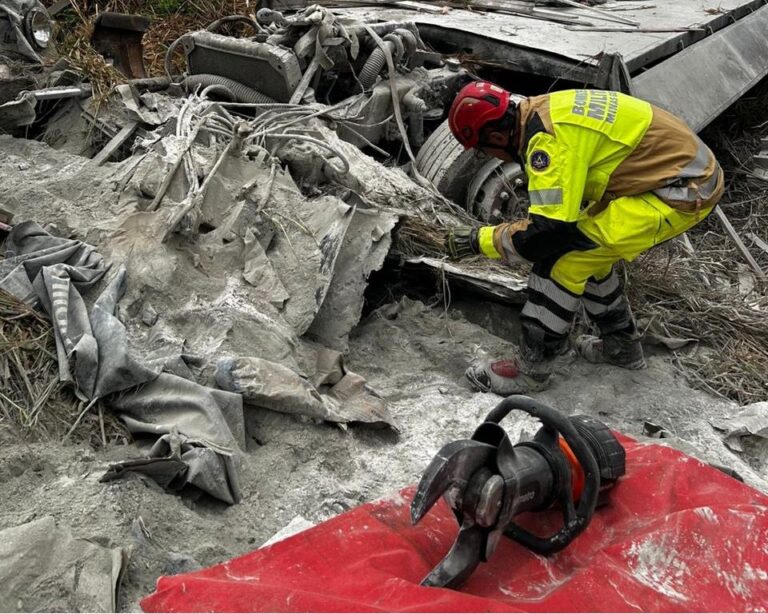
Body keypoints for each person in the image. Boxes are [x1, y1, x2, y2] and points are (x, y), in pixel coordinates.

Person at [444, 81, 724, 395]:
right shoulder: (540, 109)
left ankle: (531, 370)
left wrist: (478, 240)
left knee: (562, 260)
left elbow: (548, 234)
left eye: (483, 150)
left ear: (496, 137)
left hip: (680, 189)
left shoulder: (546, 142)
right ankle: (621, 348)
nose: (487, 155)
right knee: (590, 251)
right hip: (674, 173)